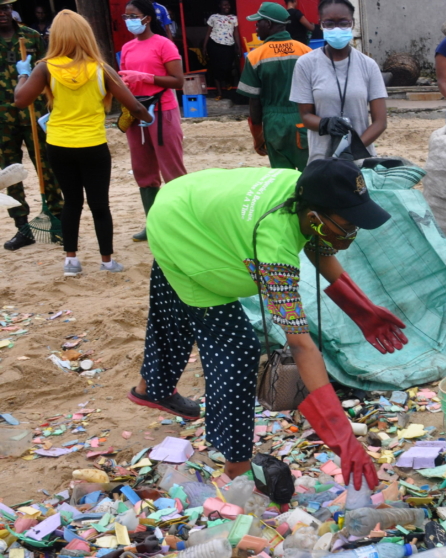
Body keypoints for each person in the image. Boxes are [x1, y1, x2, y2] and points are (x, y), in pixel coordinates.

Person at [131, 158, 407, 488]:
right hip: (178, 225)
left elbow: (318, 246)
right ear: (315, 217)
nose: (353, 233)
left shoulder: (303, 189)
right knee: (238, 349)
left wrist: (363, 309)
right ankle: (235, 463)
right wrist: (343, 438)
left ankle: (152, 388)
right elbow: (301, 346)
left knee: (172, 299)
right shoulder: (274, 249)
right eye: (348, 225)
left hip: (187, 198)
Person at [14, 10, 151, 276]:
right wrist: (147, 117)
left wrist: (22, 74)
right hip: (93, 145)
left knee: (71, 203)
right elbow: (133, 105)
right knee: (100, 204)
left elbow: (21, 99)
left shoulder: (45, 68)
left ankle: (71, 261)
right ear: (85, 35)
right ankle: (108, 261)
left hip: (59, 145)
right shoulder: (101, 69)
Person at [118, 0, 186, 243]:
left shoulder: (164, 44)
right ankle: (153, 224)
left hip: (162, 111)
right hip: (136, 112)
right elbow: (125, 78)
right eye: (126, 17)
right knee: (143, 171)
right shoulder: (127, 48)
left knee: (172, 170)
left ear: (147, 18)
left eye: (132, 15)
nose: (128, 21)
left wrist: (146, 77)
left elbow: (178, 81)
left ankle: (182, 224)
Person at [291, 0, 387, 163]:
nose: (336, 29)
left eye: (343, 23)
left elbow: (380, 122)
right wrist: (325, 123)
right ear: (321, 25)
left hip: (361, 158)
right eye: (329, 23)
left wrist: (352, 151)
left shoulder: (368, 65)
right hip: (322, 160)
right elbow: (306, 116)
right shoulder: (306, 64)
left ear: (352, 23)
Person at [0, 0, 62, 251]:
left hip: (34, 114)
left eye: (4, 8)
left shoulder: (32, 37)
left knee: (47, 168)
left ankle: (57, 221)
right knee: (11, 173)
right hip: (3, 119)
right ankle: (22, 227)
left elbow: (50, 71)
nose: (1, 14)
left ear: (11, 11)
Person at [240, 2, 311, 170]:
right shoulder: (306, 52)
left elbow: (255, 103)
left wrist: (258, 136)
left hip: (274, 124)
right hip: (304, 120)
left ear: (269, 24)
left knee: (282, 179)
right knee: (308, 176)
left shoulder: (255, 57)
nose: (255, 26)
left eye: (258, 22)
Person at [203, 0, 241, 100]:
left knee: (227, 66)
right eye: (224, 5)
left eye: (228, 5)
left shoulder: (234, 18)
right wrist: (204, 47)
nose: (226, 6)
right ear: (220, 6)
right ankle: (219, 93)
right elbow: (208, 32)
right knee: (215, 68)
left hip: (229, 45)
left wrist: (238, 46)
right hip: (214, 44)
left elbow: (236, 33)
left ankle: (228, 81)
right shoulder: (213, 17)